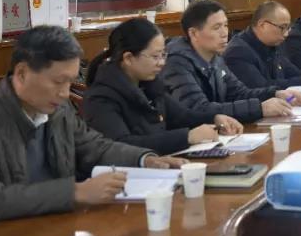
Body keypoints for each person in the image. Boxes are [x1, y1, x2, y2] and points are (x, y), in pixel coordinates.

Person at [0, 26, 183, 236]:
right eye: (58, 82)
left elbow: (94, 146)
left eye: (71, 82)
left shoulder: (57, 111)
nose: (65, 93)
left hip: (42, 228)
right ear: (21, 74)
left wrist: (145, 159)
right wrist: (76, 192)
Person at [84, 18, 245, 155]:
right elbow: (122, 145)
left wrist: (215, 119)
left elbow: (182, 116)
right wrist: (187, 137)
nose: (162, 63)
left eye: (163, 55)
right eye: (155, 56)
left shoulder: (149, 86)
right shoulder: (101, 98)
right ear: (128, 58)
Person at [162, 0, 301, 123]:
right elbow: (199, 109)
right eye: (216, 27)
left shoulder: (216, 59)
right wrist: (259, 108)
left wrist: (275, 94)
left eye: (225, 25)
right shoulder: (176, 63)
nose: (224, 33)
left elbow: (239, 93)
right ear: (193, 33)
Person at [224, 1, 301, 87]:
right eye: (282, 28)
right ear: (262, 25)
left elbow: (293, 72)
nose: (287, 34)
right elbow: (263, 87)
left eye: (288, 28)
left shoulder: (273, 44)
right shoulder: (238, 52)